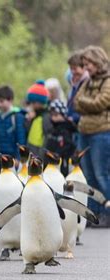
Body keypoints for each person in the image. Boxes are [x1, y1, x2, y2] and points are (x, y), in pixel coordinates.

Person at [74, 45, 110, 227]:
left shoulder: (108, 81)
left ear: (98, 61)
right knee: (88, 175)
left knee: (102, 174)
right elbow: (75, 102)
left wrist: (86, 104)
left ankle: (107, 212)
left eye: (88, 63)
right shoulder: (87, 82)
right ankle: (94, 212)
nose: (86, 67)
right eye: (85, 64)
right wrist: (89, 104)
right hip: (84, 133)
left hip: (102, 134)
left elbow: (101, 102)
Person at [0, 86, 27, 159]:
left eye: (1, 101)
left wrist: (19, 159)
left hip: (11, 158)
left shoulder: (17, 116)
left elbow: (21, 140)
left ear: (10, 100)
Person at [45, 99, 77, 176]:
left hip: (63, 163)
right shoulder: (53, 129)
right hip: (50, 162)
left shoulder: (67, 129)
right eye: (51, 115)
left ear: (63, 115)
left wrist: (57, 154)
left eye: (56, 115)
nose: (53, 118)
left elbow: (68, 145)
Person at [25, 80, 52, 158]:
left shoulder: (46, 116)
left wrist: (42, 153)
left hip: (39, 152)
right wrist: (29, 120)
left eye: (34, 103)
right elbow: (28, 130)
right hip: (31, 149)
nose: (32, 105)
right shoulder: (34, 115)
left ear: (41, 102)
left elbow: (47, 136)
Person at [66, 51, 89, 125]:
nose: (72, 72)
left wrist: (74, 118)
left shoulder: (88, 83)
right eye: (71, 69)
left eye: (75, 68)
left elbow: (88, 108)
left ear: (84, 68)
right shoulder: (75, 84)